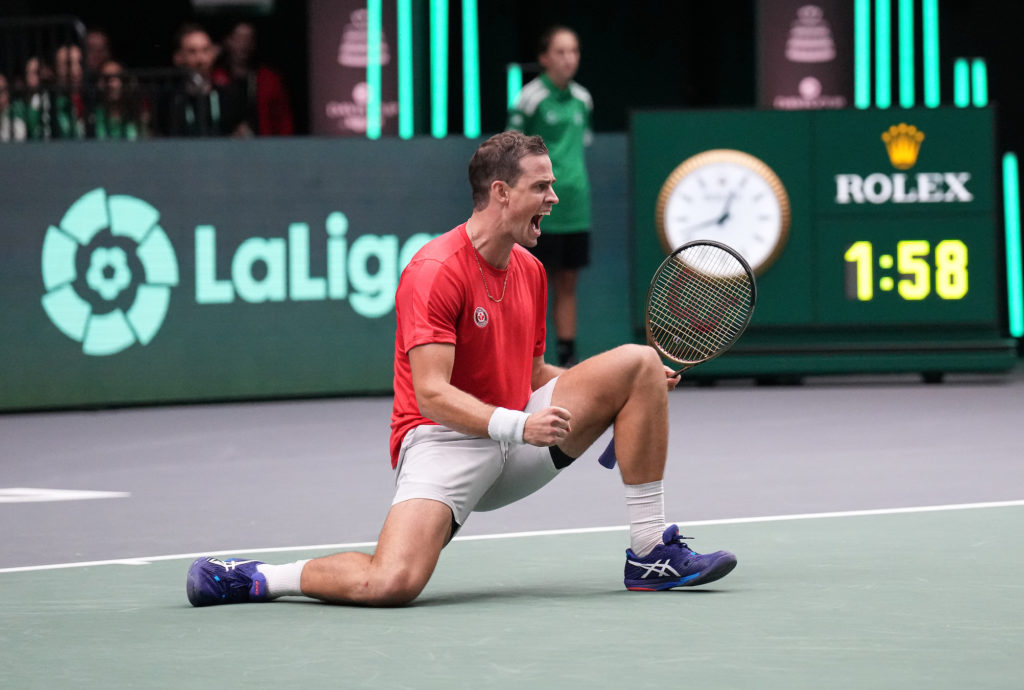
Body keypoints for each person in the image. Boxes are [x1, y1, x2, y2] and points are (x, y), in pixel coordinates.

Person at [185, 131, 737, 608]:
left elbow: (534, 371)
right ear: (500, 192)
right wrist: (519, 426)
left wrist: (626, 391)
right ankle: (255, 577)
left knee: (638, 362)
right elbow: (431, 395)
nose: (554, 196)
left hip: (514, 435)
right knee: (392, 582)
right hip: (444, 441)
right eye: (541, 187)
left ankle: (647, 554)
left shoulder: (530, 270)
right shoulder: (434, 271)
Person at [508, 26, 592, 367]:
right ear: (544, 58)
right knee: (530, 282)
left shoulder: (584, 99)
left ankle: (567, 361)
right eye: (560, 51)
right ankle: (526, 361)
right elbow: (511, 151)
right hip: (536, 205)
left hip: (576, 205)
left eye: (573, 51)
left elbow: (581, 146)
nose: (568, 58)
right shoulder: (529, 98)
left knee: (568, 282)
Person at [211, 21, 294, 137]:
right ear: (228, 41)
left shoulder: (270, 79)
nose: (243, 45)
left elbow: (284, 121)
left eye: (248, 39)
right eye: (239, 39)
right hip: (221, 147)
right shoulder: (214, 77)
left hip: (265, 148)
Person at [163, 23, 222, 136]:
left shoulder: (228, 96)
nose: (200, 59)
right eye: (192, 52)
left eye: (205, 50)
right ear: (178, 57)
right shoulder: (168, 100)